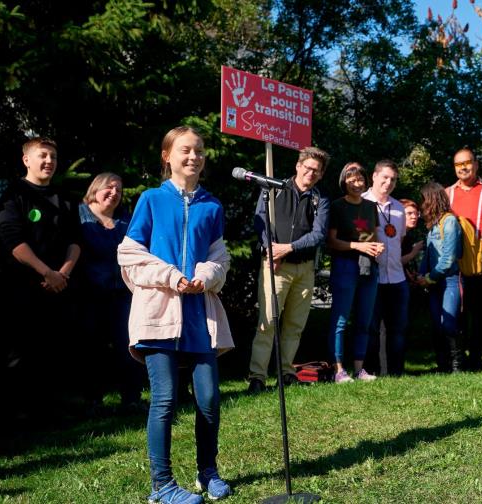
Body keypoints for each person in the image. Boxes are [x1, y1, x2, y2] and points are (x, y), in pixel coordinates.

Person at [117, 126, 233, 503]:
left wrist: (204, 276)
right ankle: (161, 486)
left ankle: (208, 472)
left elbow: (221, 257)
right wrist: (172, 277)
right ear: (167, 155)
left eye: (199, 151)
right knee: (164, 400)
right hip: (158, 312)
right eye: (185, 150)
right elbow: (130, 256)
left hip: (200, 316)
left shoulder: (212, 205)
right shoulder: (151, 200)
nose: (194, 157)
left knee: (210, 398)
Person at [0, 137, 81, 421]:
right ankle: (20, 414)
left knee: (56, 350)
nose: (49, 162)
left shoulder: (65, 197)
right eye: (43, 156)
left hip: (60, 287)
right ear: (26, 160)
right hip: (23, 287)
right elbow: (12, 240)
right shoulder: (14, 195)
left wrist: (63, 274)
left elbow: (75, 240)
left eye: (53, 157)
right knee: (21, 352)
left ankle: (54, 412)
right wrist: (46, 272)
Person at [246, 147, 330, 393]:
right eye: (308, 167)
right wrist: (271, 251)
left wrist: (288, 248)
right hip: (275, 266)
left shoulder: (320, 199)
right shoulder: (274, 188)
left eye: (317, 170)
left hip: (304, 269)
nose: (311, 173)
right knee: (268, 321)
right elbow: (261, 221)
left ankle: (286, 372)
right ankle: (258, 376)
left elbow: (318, 234)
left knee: (295, 324)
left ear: (321, 174)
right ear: (298, 165)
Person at [79, 172, 144, 411]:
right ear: (95, 189)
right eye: (109, 187)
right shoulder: (79, 217)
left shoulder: (126, 221)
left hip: (123, 294)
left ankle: (132, 399)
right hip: (90, 293)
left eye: (119, 190)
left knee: (128, 345)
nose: (114, 193)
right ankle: (92, 401)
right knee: (91, 349)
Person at [326, 162, 383, 383]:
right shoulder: (337, 206)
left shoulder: (371, 206)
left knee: (364, 321)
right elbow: (331, 241)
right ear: (344, 182)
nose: (356, 184)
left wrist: (377, 247)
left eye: (360, 180)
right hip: (345, 265)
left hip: (369, 266)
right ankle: (339, 370)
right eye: (351, 180)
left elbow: (373, 236)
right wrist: (358, 246)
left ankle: (359, 369)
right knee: (340, 320)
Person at [447, 148, 482, 370]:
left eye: (467, 163)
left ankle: (480, 355)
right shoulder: (447, 193)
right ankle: (458, 358)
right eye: (459, 164)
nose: (463, 167)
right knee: (458, 311)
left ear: (476, 165)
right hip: (456, 265)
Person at [363, 160, 409, 377]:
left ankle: (396, 373)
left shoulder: (399, 208)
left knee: (397, 329)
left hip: (397, 278)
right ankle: (371, 372)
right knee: (371, 329)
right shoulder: (361, 202)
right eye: (385, 177)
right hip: (373, 277)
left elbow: (399, 239)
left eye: (393, 179)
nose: (388, 183)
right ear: (374, 176)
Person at [417, 182, 463, 372]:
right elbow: (429, 254)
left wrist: (430, 277)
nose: (421, 205)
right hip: (434, 282)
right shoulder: (433, 225)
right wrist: (421, 274)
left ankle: (457, 365)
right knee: (437, 324)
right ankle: (442, 364)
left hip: (449, 281)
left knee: (449, 324)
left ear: (432, 200)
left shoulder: (449, 221)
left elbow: (448, 258)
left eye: (423, 200)